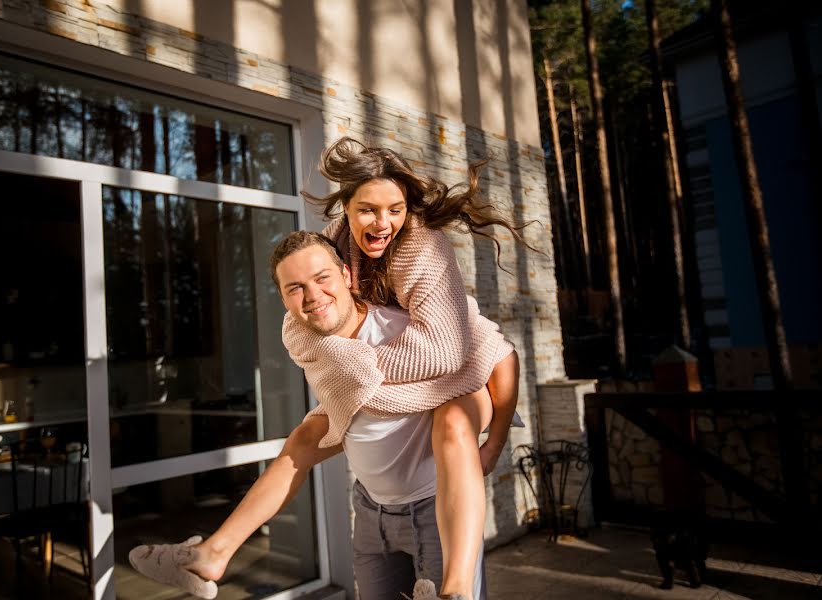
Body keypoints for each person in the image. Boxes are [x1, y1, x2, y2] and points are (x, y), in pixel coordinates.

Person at [129, 232, 488, 599]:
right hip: (371, 513)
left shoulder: (401, 333)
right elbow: (344, 404)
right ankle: (212, 555)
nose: (313, 296)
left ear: (346, 275)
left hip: (436, 510)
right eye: (295, 288)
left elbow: (476, 368)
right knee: (302, 439)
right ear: (283, 298)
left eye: (322, 278)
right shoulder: (311, 341)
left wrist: (495, 431)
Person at [283, 137, 526, 600]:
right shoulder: (334, 244)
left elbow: (455, 354)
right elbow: (300, 321)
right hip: (377, 500)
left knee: (456, 421)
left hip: (473, 359)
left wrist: (493, 445)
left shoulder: (423, 246)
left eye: (395, 209)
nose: (383, 223)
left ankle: (456, 589)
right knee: (304, 436)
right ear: (346, 209)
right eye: (369, 210)